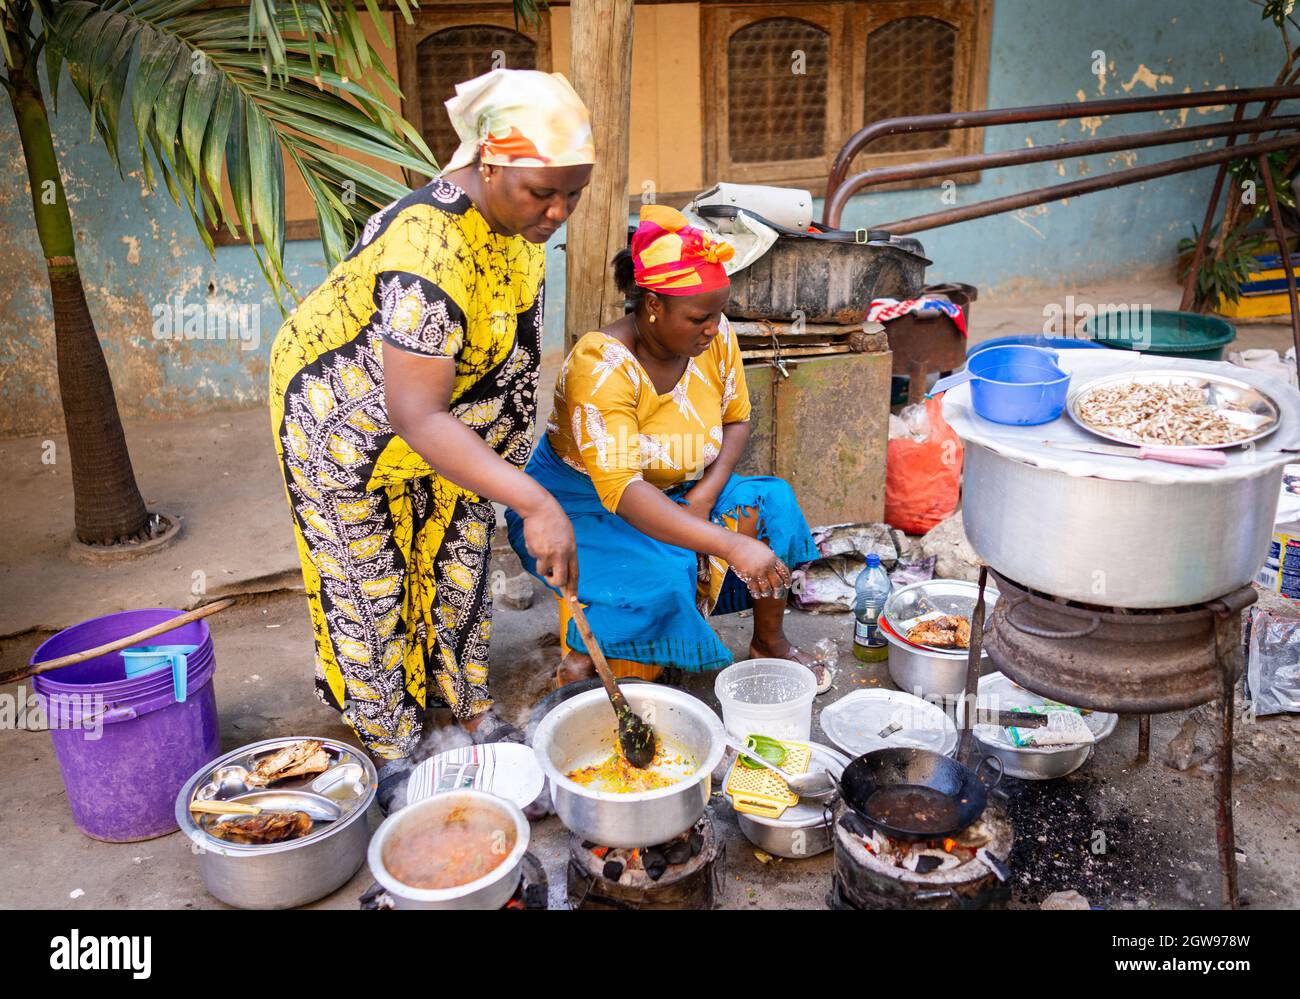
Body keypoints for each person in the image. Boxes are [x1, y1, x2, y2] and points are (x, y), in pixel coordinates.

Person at [268, 69, 593, 811]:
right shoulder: (427, 246)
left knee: (461, 561)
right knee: (370, 580)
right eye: (541, 191)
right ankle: (395, 746)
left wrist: (504, 474)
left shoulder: (518, 237)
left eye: (571, 194)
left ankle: (466, 706)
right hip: (343, 422)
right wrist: (532, 497)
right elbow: (415, 413)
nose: (556, 211)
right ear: (487, 163)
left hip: (455, 423)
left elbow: (508, 357)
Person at [507, 205, 829, 691]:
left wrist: (703, 498)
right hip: (587, 505)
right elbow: (622, 491)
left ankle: (770, 643)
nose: (713, 329)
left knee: (773, 504)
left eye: (718, 315)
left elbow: (736, 418)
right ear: (653, 305)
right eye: (700, 317)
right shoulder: (601, 366)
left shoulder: (712, 337)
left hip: (682, 489)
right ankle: (597, 652)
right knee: (658, 584)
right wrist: (729, 543)